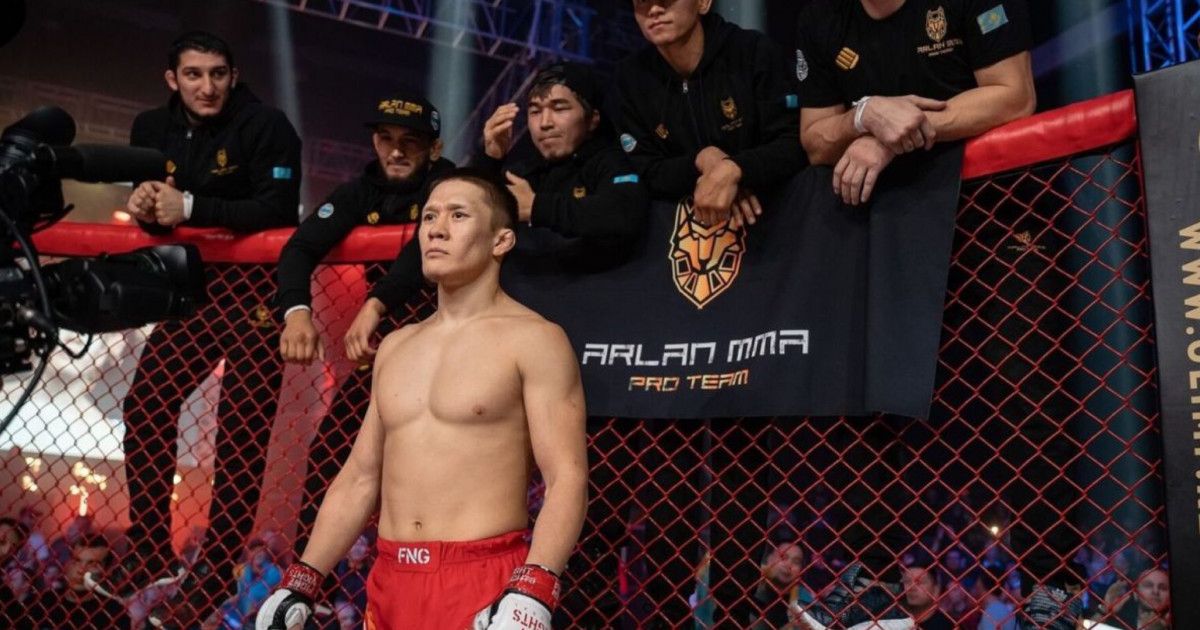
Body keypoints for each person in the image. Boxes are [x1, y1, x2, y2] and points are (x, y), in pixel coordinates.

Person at [792, 2, 1074, 629]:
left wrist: (889, 135)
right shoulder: (823, 16)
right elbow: (814, 137)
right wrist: (865, 114)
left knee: (1027, 396)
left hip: (996, 216)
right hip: (886, 222)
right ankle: (872, 582)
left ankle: (1053, 585)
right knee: (867, 400)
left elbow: (1013, 95)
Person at [256, 168, 588, 630]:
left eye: (458, 215)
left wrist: (535, 586)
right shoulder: (396, 346)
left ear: (501, 240)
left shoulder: (535, 340)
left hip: (483, 578)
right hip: (389, 579)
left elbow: (567, 477)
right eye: (430, 216)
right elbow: (359, 478)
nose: (436, 228)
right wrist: (303, 579)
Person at [117, 29, 303, 614]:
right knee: (145, 404)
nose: (207, 86)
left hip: (256, 297)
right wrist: (146, 209)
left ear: (234, 75)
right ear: (172, 79)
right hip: (194, 294)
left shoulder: (267, 125)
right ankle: (150, 546)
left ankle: (217, 567)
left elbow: (279, 208)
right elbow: (156, 212)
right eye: (193, 74)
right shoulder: (151, 127)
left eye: (218, 73)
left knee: (240, 432)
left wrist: (191, 207)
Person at [351, 62, 648, 357]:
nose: (545, 122)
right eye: (535, 111)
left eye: (559, 108)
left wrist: (537, 207)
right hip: (509, 338)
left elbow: (625, 212)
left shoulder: (612, 163)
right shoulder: (520, 175)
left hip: (598, 333)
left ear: (592, 119)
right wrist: (377, 302)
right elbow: (439, 238)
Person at [276, 92, 454, 560]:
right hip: (389, 352)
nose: (395, 151)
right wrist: (297, 312)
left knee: (430, 469)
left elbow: (422, 252)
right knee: (327, 456)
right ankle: (309, 580)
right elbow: (298, 248)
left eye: (410, 141)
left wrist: (375, 304)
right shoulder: (361, 191)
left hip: (455, 345)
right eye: (385, 139)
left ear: (434, 148)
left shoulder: (452, 186)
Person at [617, 0, 804, 228]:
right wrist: (702, 160)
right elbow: (644, 170)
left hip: (777, 219)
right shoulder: (630, 78)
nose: (654, 10)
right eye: (642, 2)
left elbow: (793, 142)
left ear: (703, 3)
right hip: (684, 232)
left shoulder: (753, 51)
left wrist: (735, 170)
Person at [19, 534, 131, 630]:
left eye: (93, 564)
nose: (81, 570)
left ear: (106, 571)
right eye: (76, 561)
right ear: (67, 564)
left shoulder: (114, 615)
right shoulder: (39, 604)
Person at [900, 564, 955, 630]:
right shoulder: (892, 622)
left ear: (936, 590)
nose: (912, 587)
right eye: (907, 581)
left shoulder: (948, 626)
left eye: (920, 582)